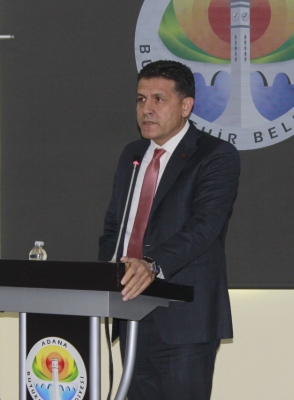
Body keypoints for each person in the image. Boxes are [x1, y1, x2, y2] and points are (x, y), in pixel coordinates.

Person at [98, 60, 240, 400]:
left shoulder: (215, 155)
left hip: (184, 320)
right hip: (131, 310)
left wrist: (151, 264)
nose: (146, 109)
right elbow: (115, 225)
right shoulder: (132, 155)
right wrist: (109, 274)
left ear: (186, 106)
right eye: (140, 99)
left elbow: (204, 227)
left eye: (158, 99)